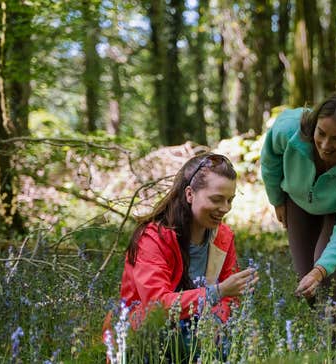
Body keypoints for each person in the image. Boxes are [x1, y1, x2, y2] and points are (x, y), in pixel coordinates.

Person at [107, 153, 258, 360]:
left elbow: (230, 299)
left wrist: (216, 322)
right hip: (145, 331)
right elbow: (157, 305)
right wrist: (218, 292)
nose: (225, 208)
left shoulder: (223, 237)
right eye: (216, 199)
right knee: (189, 345)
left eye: (230, 200)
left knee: (241, 342)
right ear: (190, 194)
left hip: (195, 325)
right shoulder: (153, 238)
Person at [260, 92, 336, 303]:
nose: (326, 145)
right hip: (297, 201)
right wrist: (277, 200)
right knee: (307, 285)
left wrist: (320, 270)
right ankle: (319, 333)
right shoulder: (288, 129)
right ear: (313, 125)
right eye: (321, 133)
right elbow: (270, 161)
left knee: (323, 277)